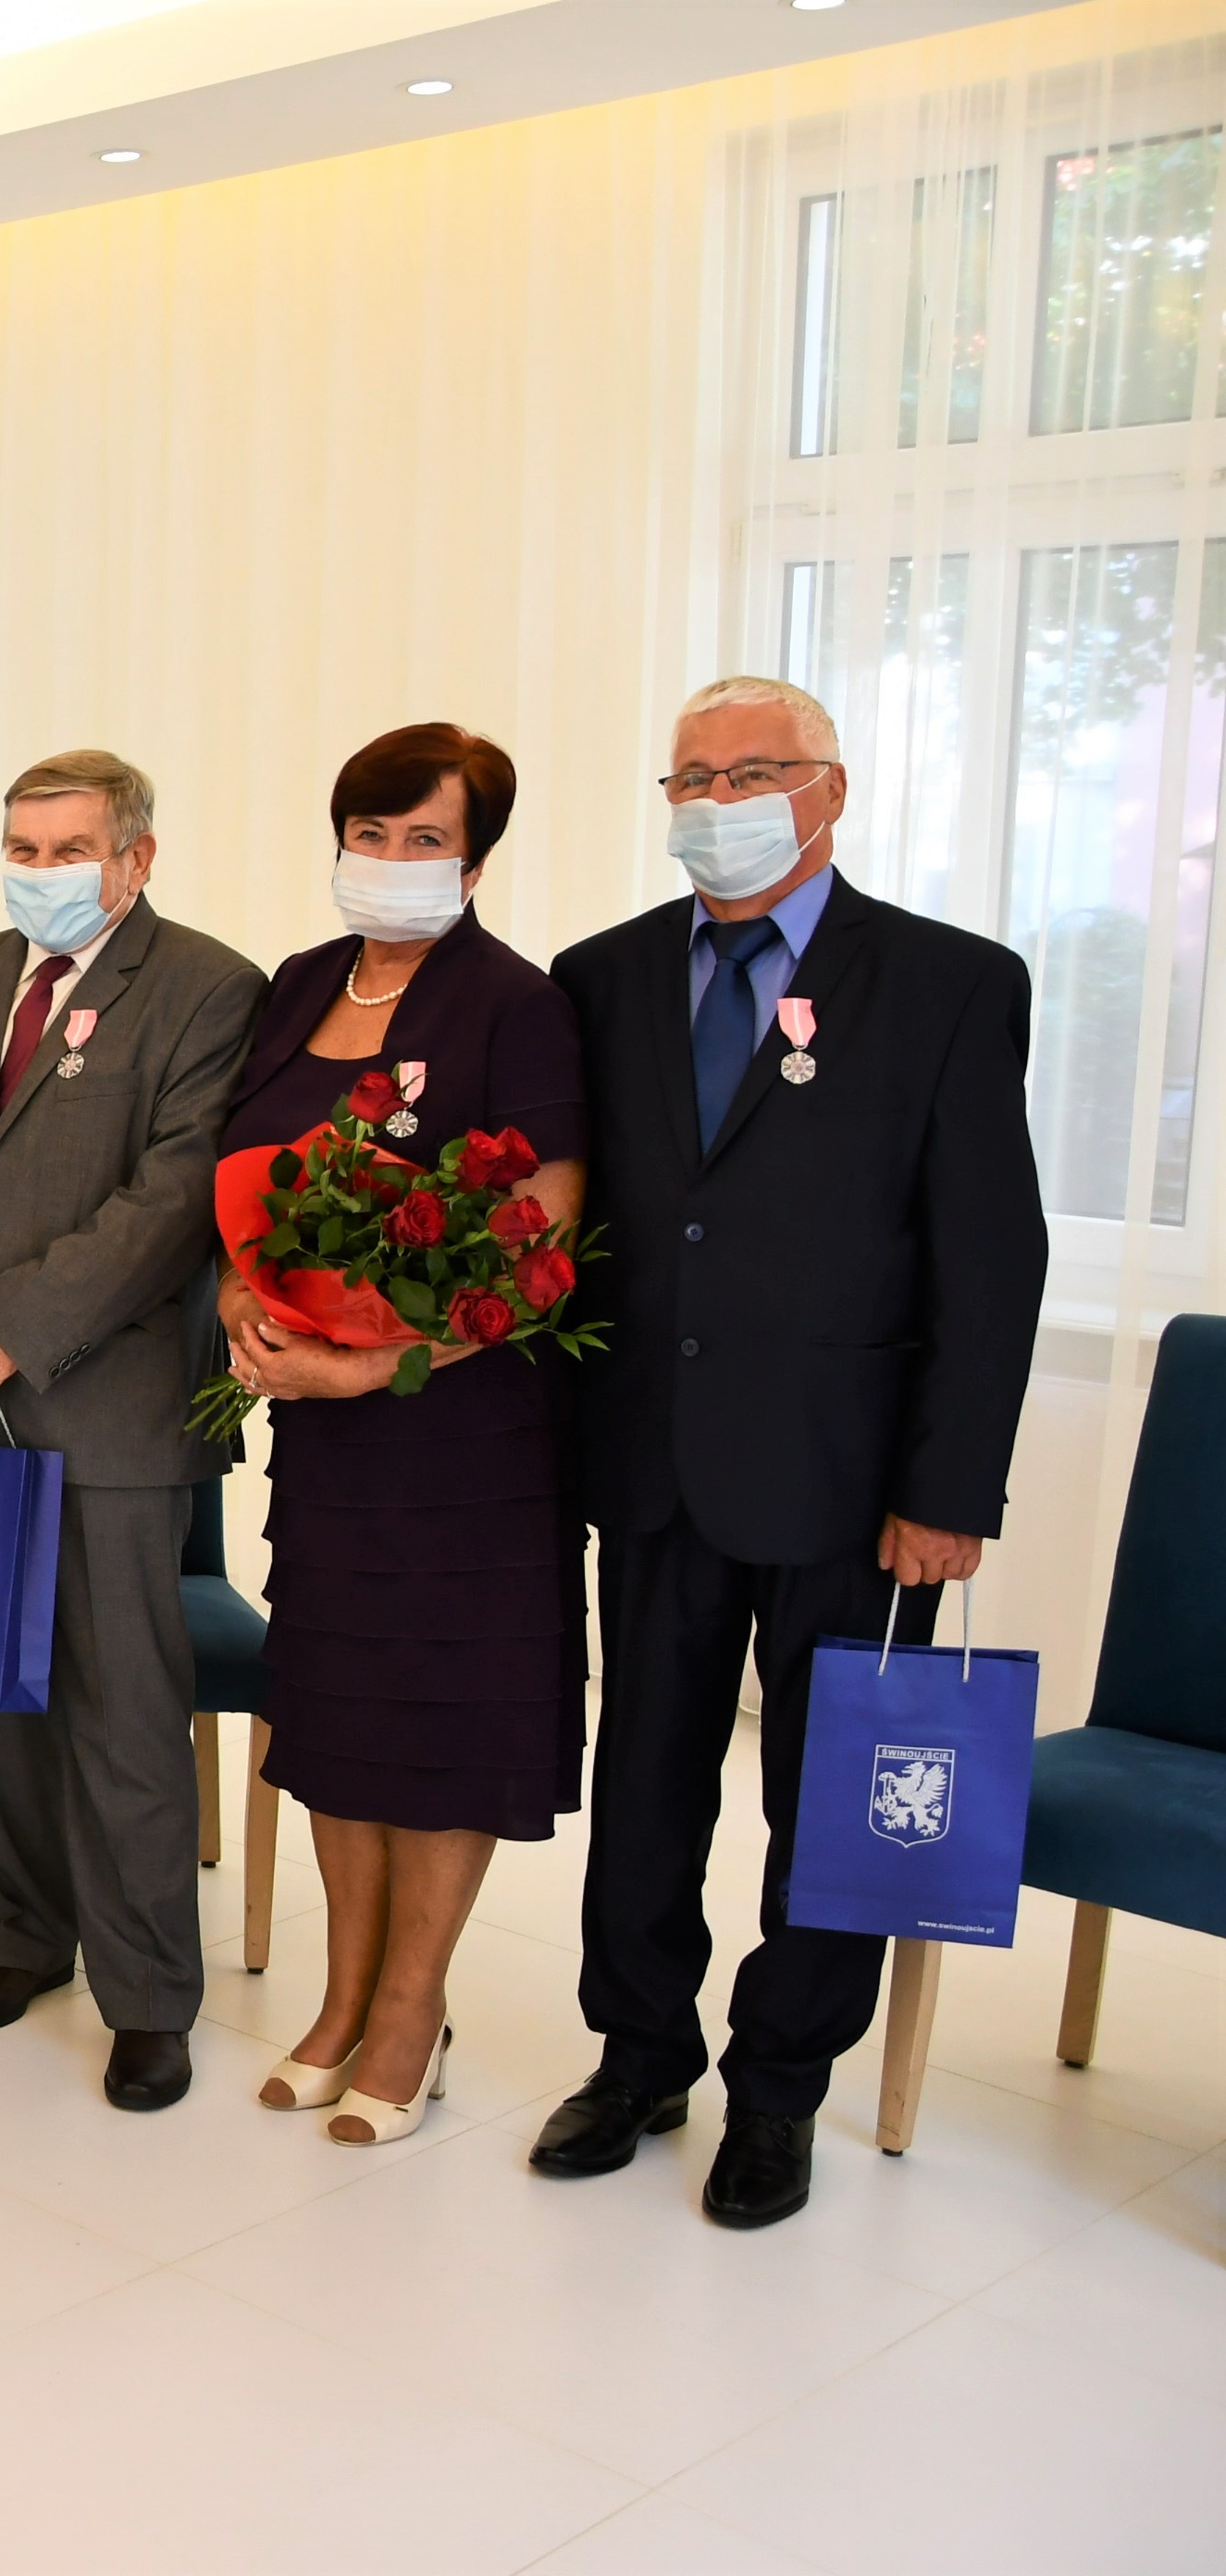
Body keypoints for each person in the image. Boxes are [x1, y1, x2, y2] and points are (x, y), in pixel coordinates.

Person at [539, 675, 1044, 2227]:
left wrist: (948, 1489)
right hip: (652, 1461)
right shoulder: (602, 977)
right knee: (645, 1781)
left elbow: (990, 1256)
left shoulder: (950, 983)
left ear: (830, 790)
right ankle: (638, 2056)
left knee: (828, 1798)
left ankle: (780, 2093)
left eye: (753, 773)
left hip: (851, 1477)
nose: (719, 802)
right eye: (692, 778)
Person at [0, 749, 263, 2112]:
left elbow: (172, 1203)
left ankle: (147, 1997)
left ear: (136, 860)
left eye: (71, 850)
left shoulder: (208, 988)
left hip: (110, 1411)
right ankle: (27, 1940)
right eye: (23, 849)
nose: (41, 873)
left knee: (123, 1711)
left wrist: (13, 1325)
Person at [214, 725, 587, 2145]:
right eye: (370, 833)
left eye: (423, 838)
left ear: (476, 859)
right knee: (338, 1712)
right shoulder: (300, 984)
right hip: (326, 1438)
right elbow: (243, 1175)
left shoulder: (517, 1006)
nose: (389, 859)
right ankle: (340, 1997)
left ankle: (411, 2011)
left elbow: (544, 1241)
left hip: (463, 1437)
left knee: (441, 1724)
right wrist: (249, 1300)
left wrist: (374, 1364)